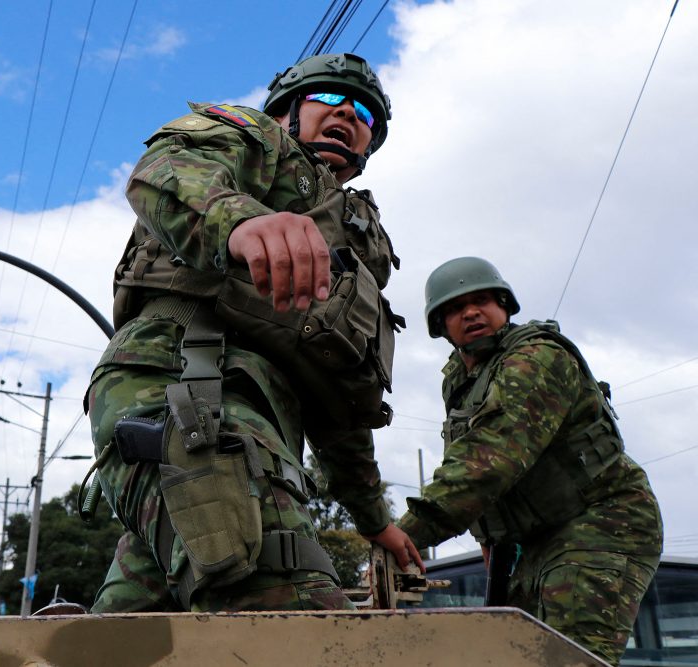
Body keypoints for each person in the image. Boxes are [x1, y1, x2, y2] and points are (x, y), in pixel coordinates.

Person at [83, 53, 423, 613]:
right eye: (329, 99)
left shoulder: (359, 241)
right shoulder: (253, 143)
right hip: (183, 385)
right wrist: (238, 221)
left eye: (364, 112)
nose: (348, 115)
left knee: (133, 636)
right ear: (288, 111)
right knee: (291, 609)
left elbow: (342, 399)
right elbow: (168, 170)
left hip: (253, 434)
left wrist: (374, 519)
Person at [397, 256, 663, 665]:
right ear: (440, 327)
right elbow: (462, 460)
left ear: (504, 305)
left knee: (565, 659)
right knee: (517, 656)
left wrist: (406, 535)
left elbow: (489, 460)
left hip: (601, 522)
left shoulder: (536, 358)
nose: (470, 312)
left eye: (482, 299)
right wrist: (489, 536)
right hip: (533, 539)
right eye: (454, 308)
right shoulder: (460, 380)